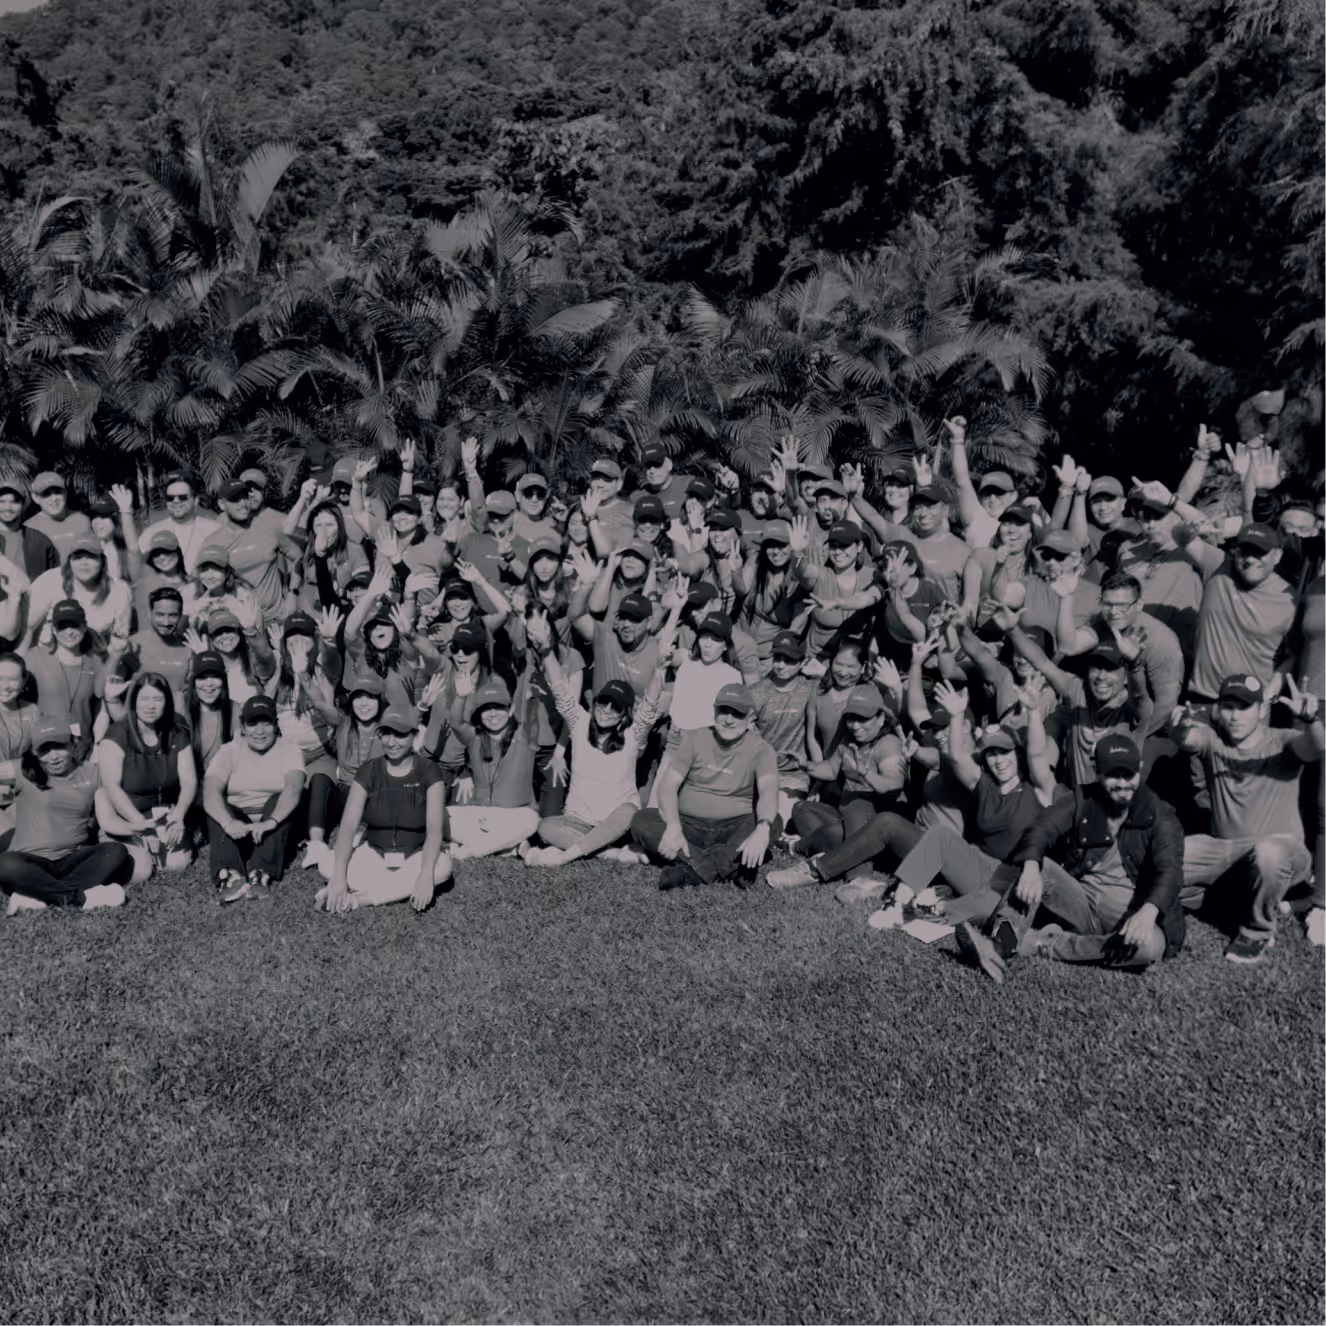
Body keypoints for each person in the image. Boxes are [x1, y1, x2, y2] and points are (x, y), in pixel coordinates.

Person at [953, 734, 1185, 982]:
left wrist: (1148, 912)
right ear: (1097, 772)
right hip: (1083, 906)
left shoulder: (1161, 816)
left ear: (1139, 771)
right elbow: (1042, 828)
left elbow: (1170, 870)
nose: (1122, 783)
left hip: (1136, 918)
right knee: (1042, 869)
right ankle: (1001, 944)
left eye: (1128, 774)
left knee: (1150, 947)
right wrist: (1031, 866)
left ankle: (1037, 943)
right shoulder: (1083, 799)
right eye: (1113, 775)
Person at [1172, 675, 1323, 964]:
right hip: (1225, 851)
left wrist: (1311, 719)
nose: (1235, 715)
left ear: (1262, 710)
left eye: (1245, 707)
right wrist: (1178, 728)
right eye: (1228, 706)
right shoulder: (1212, 740)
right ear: (1218, 710)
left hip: (1284, 854)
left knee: (1268, 853)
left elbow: (1316, 747)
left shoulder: (1283, 740)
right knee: (1168, 858)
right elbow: (1187, 738)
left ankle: (1257, 931)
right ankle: (1229, 898)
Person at [523, 613, 666, 867]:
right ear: (596, 701)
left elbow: (649, 710)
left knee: (630, 811)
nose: (607, 709)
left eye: (616, 707)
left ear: (624, 715)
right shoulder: (580, 722)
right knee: (544, 826)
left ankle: (568, 855)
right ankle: (606, 852)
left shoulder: (633, 736)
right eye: (603, 701)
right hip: (577, 822)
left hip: (617, 823)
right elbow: (561, 692)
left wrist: (660, 671)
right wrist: (546, 652)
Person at [630, 682, 780, 890]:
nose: (728, 719)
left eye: (736, 714)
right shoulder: (693, 738)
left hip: (732, 827)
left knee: (774, 822)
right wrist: (673, 826)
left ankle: (694, 871)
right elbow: (667, 786)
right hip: (688, 826)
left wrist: (763, 828)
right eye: (723, 711)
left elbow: (768, 791)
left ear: (750, 717)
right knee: (642, 819)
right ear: (714, 711)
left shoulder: (762, 750)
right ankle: (732, 865)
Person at [315, 705, 451, 913]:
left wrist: (425, 874)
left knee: (442, 868)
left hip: (414, 855)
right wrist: (340, 875)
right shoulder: (368, 771)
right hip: (374, 854)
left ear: (414, 735)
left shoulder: (429, 771)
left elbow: (434, 828)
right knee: (327, 864)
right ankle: (394, 888)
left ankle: (359, 900)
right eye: (386, 733)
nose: (391, 742)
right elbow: (349, 824)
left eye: (400, 734)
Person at [0, 714, 131, 914]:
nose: (53, 757)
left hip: (72, 860)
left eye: (59, 746)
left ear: (72, 744)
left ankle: (35, 895)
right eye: (44, 750)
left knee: (115, 851)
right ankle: (79, 899)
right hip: (30, 861)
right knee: (5, 864)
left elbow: (122, 796)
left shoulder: (91, 773)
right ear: (35, 752)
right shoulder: (23, 770)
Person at [93, 672, 197, 882]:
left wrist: (178, 815)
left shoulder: (177, 733)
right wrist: (140, 825)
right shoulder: (117, 733)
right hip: (126, 814)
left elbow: (189, 780)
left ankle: (150, 849)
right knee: (140, 872)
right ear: (134, 701)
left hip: (159, 811)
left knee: (177, 865)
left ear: (166, 702)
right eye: (145, 699)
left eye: (158, 699)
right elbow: (112, 787)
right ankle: (118, 843)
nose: (151, 706)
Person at [202, 694, 305, 902]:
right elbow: (210, 790)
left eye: (266, 722)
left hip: (273, 827)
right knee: (217, 805)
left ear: (276, 725)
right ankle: (230, 875)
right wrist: (228, 822)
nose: (259, 731)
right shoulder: (228, 751)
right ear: (242, 726)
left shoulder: (290, 749)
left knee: (280, 797)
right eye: (252, 723)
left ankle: (261, 873)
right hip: (238, 825)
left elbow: (294, 787)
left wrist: (270, 822)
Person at [786, 685, 907, 858]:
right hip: (845, 817)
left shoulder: (889, 744)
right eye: (851, 718)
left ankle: (808, 846)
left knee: (840, 827)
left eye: (863, 719)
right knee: (801, 808)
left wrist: (865, 772)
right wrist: (806, 765)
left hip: (873, 824)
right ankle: (834, 846)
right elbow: (830, 769)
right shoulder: (848, 740)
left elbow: (893, 785)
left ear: (881, 718)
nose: (855, 725)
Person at [446, 678, 541, 860]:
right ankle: (508, 847)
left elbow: (533, 720)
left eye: (498, 707)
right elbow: (456, 723)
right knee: (441, 815)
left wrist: (533, 700)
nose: (492, 714)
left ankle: (471, 850)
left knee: (532, 820)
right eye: (486, 709)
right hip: (480, 814)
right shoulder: (474, 737)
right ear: (479, 714)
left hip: (514, 816)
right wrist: (460, 697)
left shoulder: (525, 736)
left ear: (510, 709)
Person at [26, 537, 133, 647]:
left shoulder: (119, 590)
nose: (84, 563)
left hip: (95, 658)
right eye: (78, 557)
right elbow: (27, 629)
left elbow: (120, 639)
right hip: (49, 657)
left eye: (91, 557)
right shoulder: (49, 581)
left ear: (102, 560)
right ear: (69, 561)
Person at [212, 476, 291, 623]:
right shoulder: (218, 525)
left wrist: (292, 596)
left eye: (257, 489)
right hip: (237, 617)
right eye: (247, 490)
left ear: (265, 491)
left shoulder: (275, 522)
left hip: (273, 617)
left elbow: (297, 558)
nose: (251, 495)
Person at [25, 598, 104, 740]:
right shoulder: (34, 657)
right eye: (62, 626)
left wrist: (98, 746)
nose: (69, 632)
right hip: (45, 749)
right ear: (54, 630)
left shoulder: (96, 662)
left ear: (84, 626)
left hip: (82, 750)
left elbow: (102, 710)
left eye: (74, 625)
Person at [137, 471, 220, 574]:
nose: (176, 501)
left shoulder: (214, 530)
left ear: (195, 500)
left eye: (183, 497)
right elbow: (138, 569)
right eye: (170, 498)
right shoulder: (151, 533)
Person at [24, 471, 94, 563]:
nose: (53, 498)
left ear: (65, 492)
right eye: (46, 494)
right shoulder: (30, 528)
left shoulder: (82, 520)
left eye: (57, 492)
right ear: (36, 498)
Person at [0, 475, 59, 585]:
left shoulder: (40, 541)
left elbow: (55, 581)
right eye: (2, 501)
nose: (7, 507)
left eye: (14, 502)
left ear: (23, 505)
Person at [631, 443, 690, 521]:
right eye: (648, 466)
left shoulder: (688, 484)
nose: (652, 471)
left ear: (669, 464)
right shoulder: (636, 498)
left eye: (657, 464)